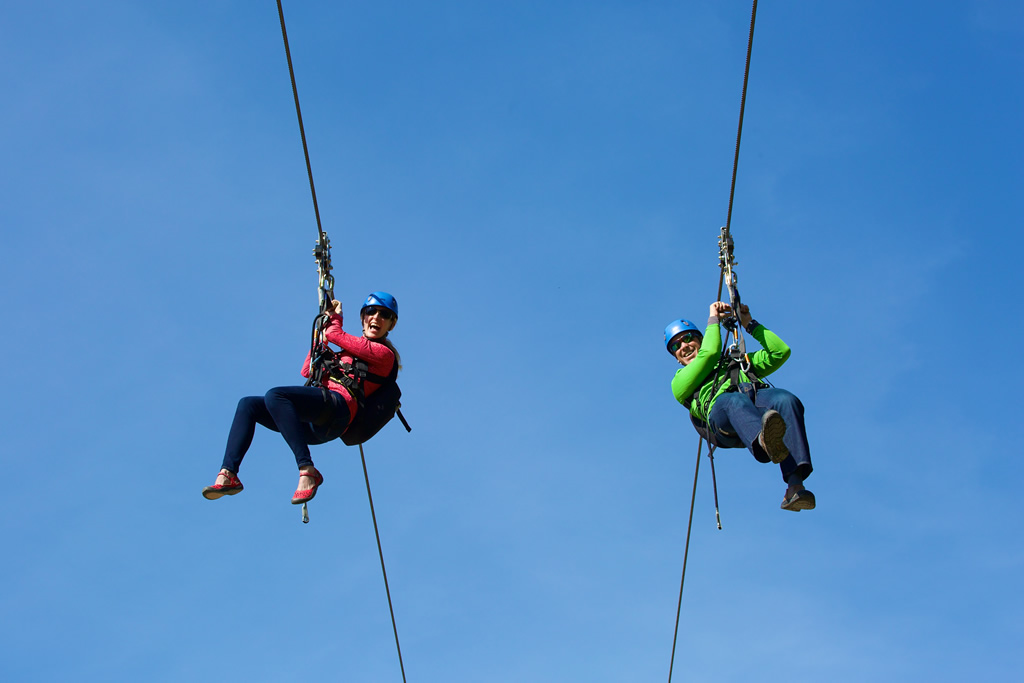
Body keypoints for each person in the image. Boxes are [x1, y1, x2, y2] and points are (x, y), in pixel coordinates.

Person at [202, 292, 401, 504]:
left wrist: (335, 319)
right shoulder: (344, 353)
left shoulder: (384, 355)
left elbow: (334, 333)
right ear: (363, 317)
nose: (376, 317)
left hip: (340, 409)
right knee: (248, 405)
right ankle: (228, 473)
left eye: (384, 315)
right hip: (316, 426)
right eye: (371, 311)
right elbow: (307, 370)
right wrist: (320, 337)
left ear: (391, 324)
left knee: (276, 396)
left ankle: (307, 470)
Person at [665, 301, 815, 511]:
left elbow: (780, 352)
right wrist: (713, 318)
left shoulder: (735, 362)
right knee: (733, 400)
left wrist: (750, 324)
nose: (684, 346)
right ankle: (764, 442)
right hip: (723, 417)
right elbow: (710, 353)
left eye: (688, 338)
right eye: (676, 346)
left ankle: (795, 486)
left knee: (784, 399)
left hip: (752, 403)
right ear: (676, 358)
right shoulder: (679, 383)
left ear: (700, 339)